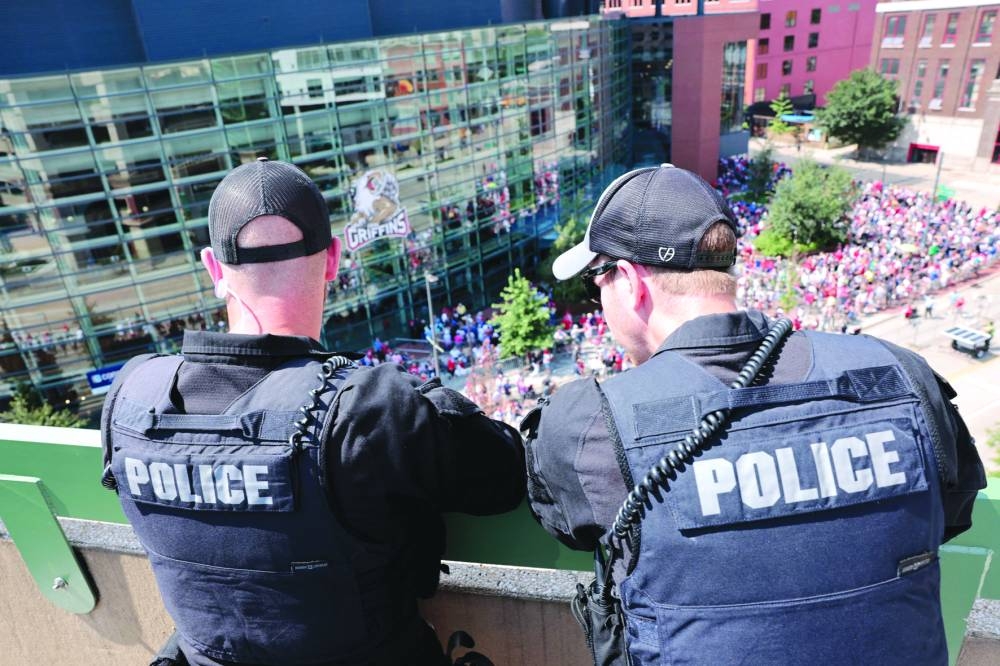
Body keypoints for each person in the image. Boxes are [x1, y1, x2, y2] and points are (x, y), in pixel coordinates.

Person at [521, 165, 986, 665]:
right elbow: (951, 513)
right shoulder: (901, 373)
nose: (598, 303)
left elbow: (566, 525)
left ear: (631, 282)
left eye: (597, 283)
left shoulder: (591, 422)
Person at [100, 158, 525, 666]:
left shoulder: (129, 397)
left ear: (214, 268)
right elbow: (507, 475)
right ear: (332, 260)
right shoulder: (370, 408)